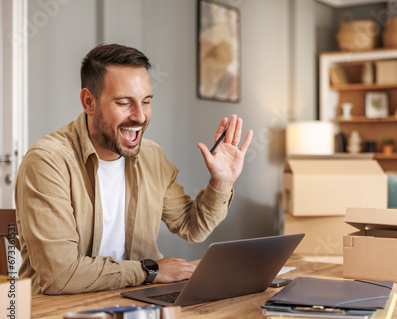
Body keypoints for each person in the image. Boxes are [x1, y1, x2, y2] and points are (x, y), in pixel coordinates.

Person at [15, 44, 253, 294]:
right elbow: (60, 276)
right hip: (62, 314)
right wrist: (150, 271)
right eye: (124, 103)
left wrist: (221, 183)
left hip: (137, 303)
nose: (140, 116)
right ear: (89, 102)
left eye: (146, 101)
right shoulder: (48, 161)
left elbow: (192, 227)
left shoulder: (152, 156)